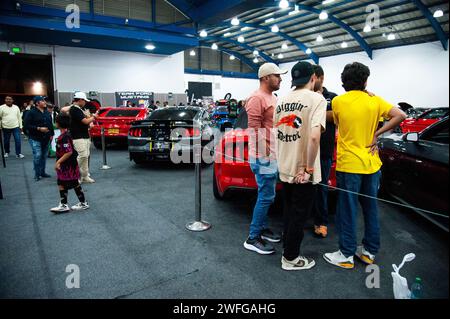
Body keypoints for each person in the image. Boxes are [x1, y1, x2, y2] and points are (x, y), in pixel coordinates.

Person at [323, 62, 407, 269]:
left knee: (348, 210)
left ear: (343, 82)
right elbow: (401, 115)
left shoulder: (338, 101)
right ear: (366, 80)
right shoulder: (375, 100)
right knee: (370, 208)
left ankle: (346, 254)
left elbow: (331, 117)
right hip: (372, 164)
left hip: (349, 165)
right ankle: (369, 252)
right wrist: (377, 133)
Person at [274, 61, 327, 270]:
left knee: (288, 211)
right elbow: (314, 137)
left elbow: (277, 132)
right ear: (313, 78)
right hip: (303, 171)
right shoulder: (317, 99)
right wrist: (307, 168)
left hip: (285, 165)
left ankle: (288, 249)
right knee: (299, 214)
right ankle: (291, 258)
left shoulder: (281, 100)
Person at [243, 63, 287, 255]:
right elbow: (253, 130)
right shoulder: (256, 98)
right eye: (277, 76)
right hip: (263, 156)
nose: (281, 79)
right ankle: (253, 237)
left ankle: (261, 228)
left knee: (268, 195)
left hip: (272, 155)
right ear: (266, 77)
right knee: (266, 196)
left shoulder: (273, 97)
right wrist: (267, 155)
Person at [311, 65, 338, 238]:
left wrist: (318, 108)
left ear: (322, 78)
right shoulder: (304, 96)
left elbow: (337, 116)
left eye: (314, 78)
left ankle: (321, 222)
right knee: (303, 188)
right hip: (305, 149)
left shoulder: (333, 97)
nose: (312, 82)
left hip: (324, 150)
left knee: (321, 188)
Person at [50, 114, 89, 213]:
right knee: (67, 183)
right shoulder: (66, 134)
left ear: (58, 123)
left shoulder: (65, 137)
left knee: (65, 183)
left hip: (68, 165)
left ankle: (65, 204)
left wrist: (58, 162)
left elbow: (68, 151)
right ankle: (77, 203)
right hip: (69, 163)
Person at [69, 92, 98, 184]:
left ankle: (84, 176)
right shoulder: (74, 109)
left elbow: (85, 122)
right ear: (80, 100)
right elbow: (85, 121)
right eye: (84, 100)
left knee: (85, 156)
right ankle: (72, 174)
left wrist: (90, 119)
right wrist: (93, 117)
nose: (85, 102)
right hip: (78, 137)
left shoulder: (80, 109)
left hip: (84, 135)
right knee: (83, 155)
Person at [24, 96, 54, 181]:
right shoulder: (31, 113)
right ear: (37, 103)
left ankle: (42, 172)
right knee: (38, 155)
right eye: (43, 101)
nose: (45, 102)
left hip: (46, 138)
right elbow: (26, 125)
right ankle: (37, 174)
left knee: (44, 156)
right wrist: (38, 128)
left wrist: (51, 134)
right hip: (35, 138)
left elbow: (50, 124)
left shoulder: (47, 112)